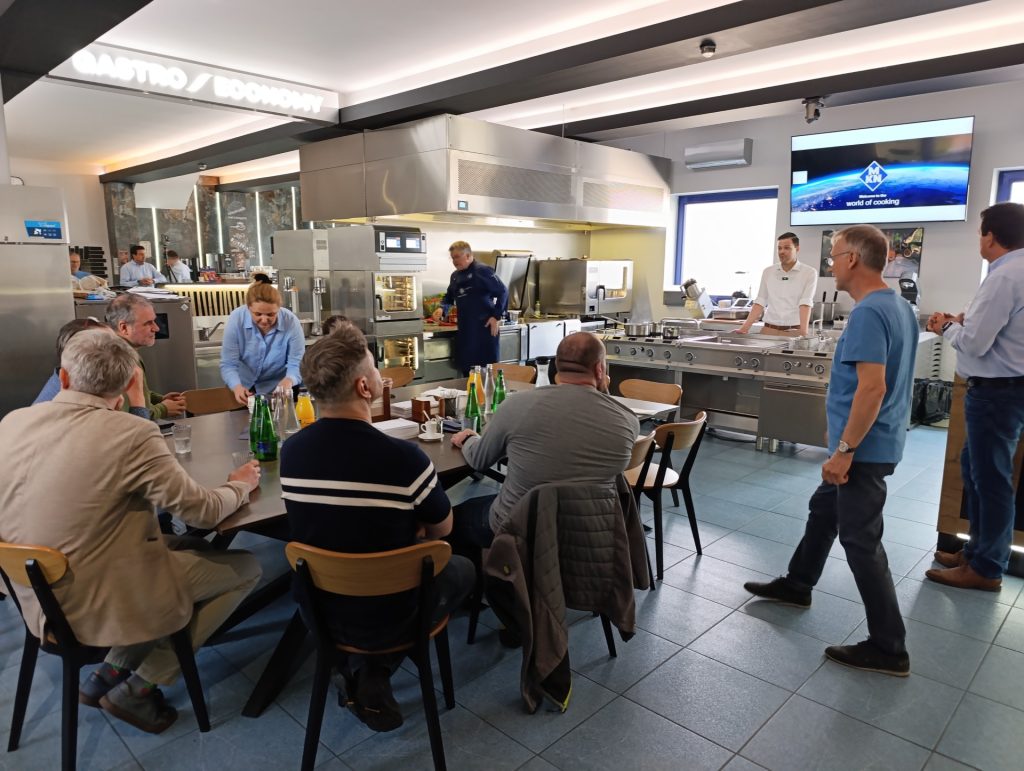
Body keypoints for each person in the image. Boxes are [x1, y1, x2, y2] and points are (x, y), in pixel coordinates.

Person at [0, 330, 262, 734]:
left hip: (37, 596)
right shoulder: (131, 433)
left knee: (188, 546)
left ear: (64, 378)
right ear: (126, 386)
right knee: (245, 567)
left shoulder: (13, 421)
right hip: (96, 601)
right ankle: (141, 685)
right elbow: (205, 511)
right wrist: (239, 484)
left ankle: (111, 671)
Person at [743, 224, 918, 677]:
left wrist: (844, 449)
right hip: (874, 442)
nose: (831, 265)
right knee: (823, 511)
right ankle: (798, 583)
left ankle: (889, 647)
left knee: (861, 541)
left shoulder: (868, 313)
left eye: (835, 256)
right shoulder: (899, 306)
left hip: (863, 450)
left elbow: (873, 388)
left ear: (853, 260)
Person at [281, 325, 473, 732]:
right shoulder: (405, 458)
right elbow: (443, 529)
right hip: (396, 612)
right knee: (462, 567)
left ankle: (364, 669)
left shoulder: (291, 452)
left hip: (319, 608)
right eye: (375, 371)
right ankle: (377, 667)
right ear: (364, 387)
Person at [450, 331, 640, 548]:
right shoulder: (627, 421)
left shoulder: (516, 406)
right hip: (589, 536)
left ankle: (481, 568)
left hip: (518, 529)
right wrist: (602, 389)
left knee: (452, 518)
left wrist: (468, 438)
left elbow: (479, 460)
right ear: (600, 369)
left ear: (556, 366)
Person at [925, 202, 1024, 591]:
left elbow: (975, 344)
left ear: (991, 237)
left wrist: (945, 328)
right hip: (1006, 390)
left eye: (980, 233)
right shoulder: (1014, 270)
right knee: (977, 471)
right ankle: (978, 552)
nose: (979, 241)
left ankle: (986, 568)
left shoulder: (1005, 276)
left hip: (997, 393)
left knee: (991, 480)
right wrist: (961, 322)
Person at [32, 318, 153, 420]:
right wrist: (137, 399)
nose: (116, 353)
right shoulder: (62, 407)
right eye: (104, 346)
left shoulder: (84, 388)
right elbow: (137, 437)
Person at [220, 274, 305, 406]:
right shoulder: (236, 319)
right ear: (248, 308)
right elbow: (229, 364)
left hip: (279, 387)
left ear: (279, 308)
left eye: (271, 314)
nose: (264, 320)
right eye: (258, 314)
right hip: (243, 386)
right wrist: (236, 387)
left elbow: (297, 363)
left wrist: (289, 380)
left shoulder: (290, 321)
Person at [431, 241, 508, 375]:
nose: (454, 261)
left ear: (468, 255)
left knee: (487, 372)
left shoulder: (482, 271)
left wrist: (496, 316)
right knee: (468, 372)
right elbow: (449, 297)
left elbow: (503, 291)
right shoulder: (455, 276)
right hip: (466, 331)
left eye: (457, 257)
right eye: (452, 258)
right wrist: (442, 309)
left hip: (484, 329)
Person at [107, 294, 186, 419]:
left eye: (154, 321)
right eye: (148, 323)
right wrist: (163, 409)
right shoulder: (119, 358)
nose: (156, 328)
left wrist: (158, 399)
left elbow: (133, 391)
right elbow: (132, 414)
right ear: (124, 327)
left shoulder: (126, 351)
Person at [737, 232, 818, 336]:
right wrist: (744, 328)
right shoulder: (768, 272)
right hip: (768, 330)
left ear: (797, 248)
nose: (782, 251)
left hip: (793, 331)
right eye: (779, 248)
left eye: (787, 248)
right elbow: (760, 301)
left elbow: (805, 303)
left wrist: (803, 333)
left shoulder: (809, 273)